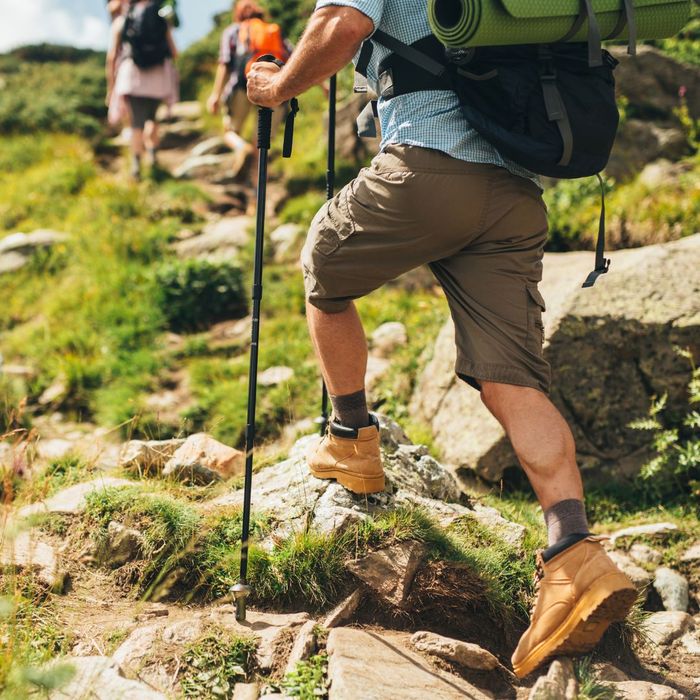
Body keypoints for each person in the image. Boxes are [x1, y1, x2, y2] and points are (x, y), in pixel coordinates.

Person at [246, 0, 638, 680]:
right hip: (513, 192)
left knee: (324, 270)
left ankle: (351, 442)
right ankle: (575, 553)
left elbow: (340, 27)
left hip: (430, 167)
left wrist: (278, 88)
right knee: (511, 380)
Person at [207, 0, 292, 178]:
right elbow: (293, 57)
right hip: (272, 85)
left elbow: (225, 64)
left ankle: (241, 148)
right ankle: (257, 187)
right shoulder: (273, 30)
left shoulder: (233, 31)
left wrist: (215, 95)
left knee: (229, 131)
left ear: (238, 14)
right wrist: (322, 84)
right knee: (261, 143)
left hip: (241, 84)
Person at [106, 0, 180, 180]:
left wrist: (110, 88)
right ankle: (153, 156)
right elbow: (174, 52)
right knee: (152, 119)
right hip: (157, 76)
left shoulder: (122, 20)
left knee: (136, 123)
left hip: (132, 76)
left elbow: (112, 57)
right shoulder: (161, 17)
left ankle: (136, 166)